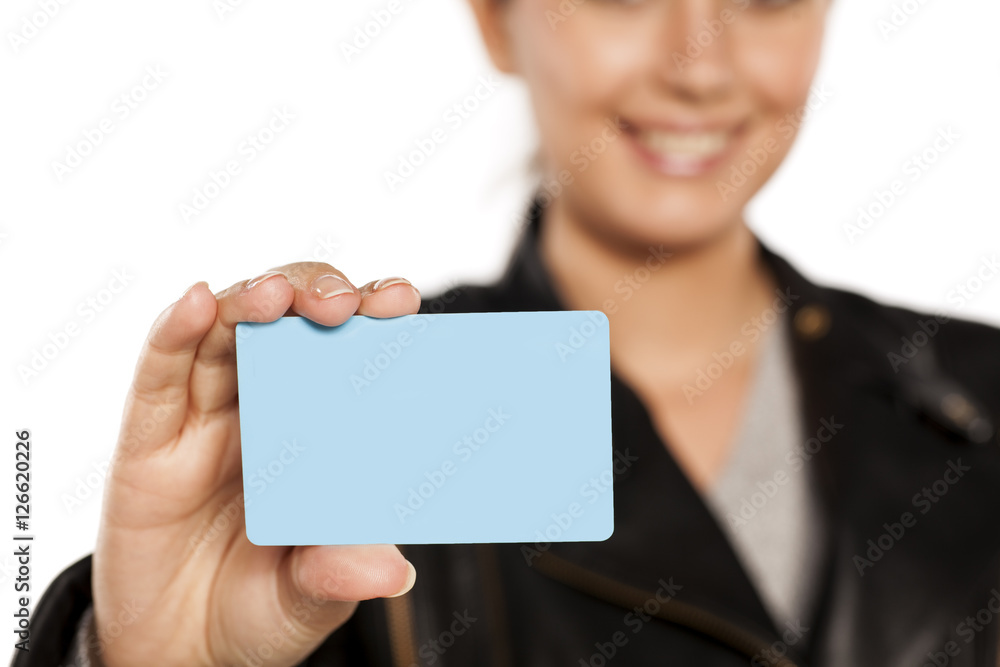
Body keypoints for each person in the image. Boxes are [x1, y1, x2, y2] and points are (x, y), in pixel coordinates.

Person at [18, 0, 1000, 665]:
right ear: (494, 17)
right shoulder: (350, 436)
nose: (701, 66)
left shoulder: (981, 385)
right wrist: (135, 658)